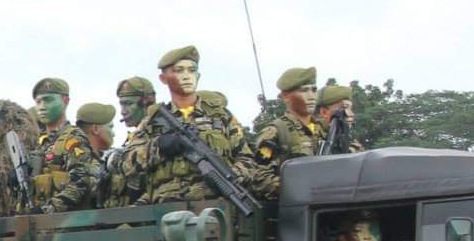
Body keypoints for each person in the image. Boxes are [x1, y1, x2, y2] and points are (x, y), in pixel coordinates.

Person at [125, 45, 257, 211]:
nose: (187, 76)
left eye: (191, 70)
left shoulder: (221, 116)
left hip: (216, 209)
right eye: (179, 70)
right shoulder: (153, 121)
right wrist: (158, 146)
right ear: (163, 78)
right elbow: (126, 164)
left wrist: (227, 177)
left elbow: (248, 160)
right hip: (166, 211)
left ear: (198, 75)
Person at [247, 66, 323, 200]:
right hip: (294, 208)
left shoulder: (323, 130)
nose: (311, 96)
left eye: (314, 90)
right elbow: (259, 177)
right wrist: (295, 188)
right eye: (304, 90)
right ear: (286, 96)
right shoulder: (275, 132)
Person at [98, 76, 156, 208]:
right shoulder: (135, 137)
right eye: (121, 104)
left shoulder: (158, 135)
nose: (123, 111)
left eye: (129, 104)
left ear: (146, 102)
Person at [47, 102, 115, 212]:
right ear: (96, 129)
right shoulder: (75, 145)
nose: (113, 133)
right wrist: (48, 209)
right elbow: (79, 184)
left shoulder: (105, 158)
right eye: (111, 127)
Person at [28, 77, 71, 205]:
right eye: (38, 102)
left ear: (65, 101)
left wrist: (47, 210)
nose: (42, 107)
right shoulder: (41, 144)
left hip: (61, 220)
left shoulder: (73, 139)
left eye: (48, 100)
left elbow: (80, 185)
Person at [316, 83, 365, 153]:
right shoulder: (310, 142)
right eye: (344, 108)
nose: (351, 114)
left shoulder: (352, 145)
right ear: (324, 112)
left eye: (351, 109)